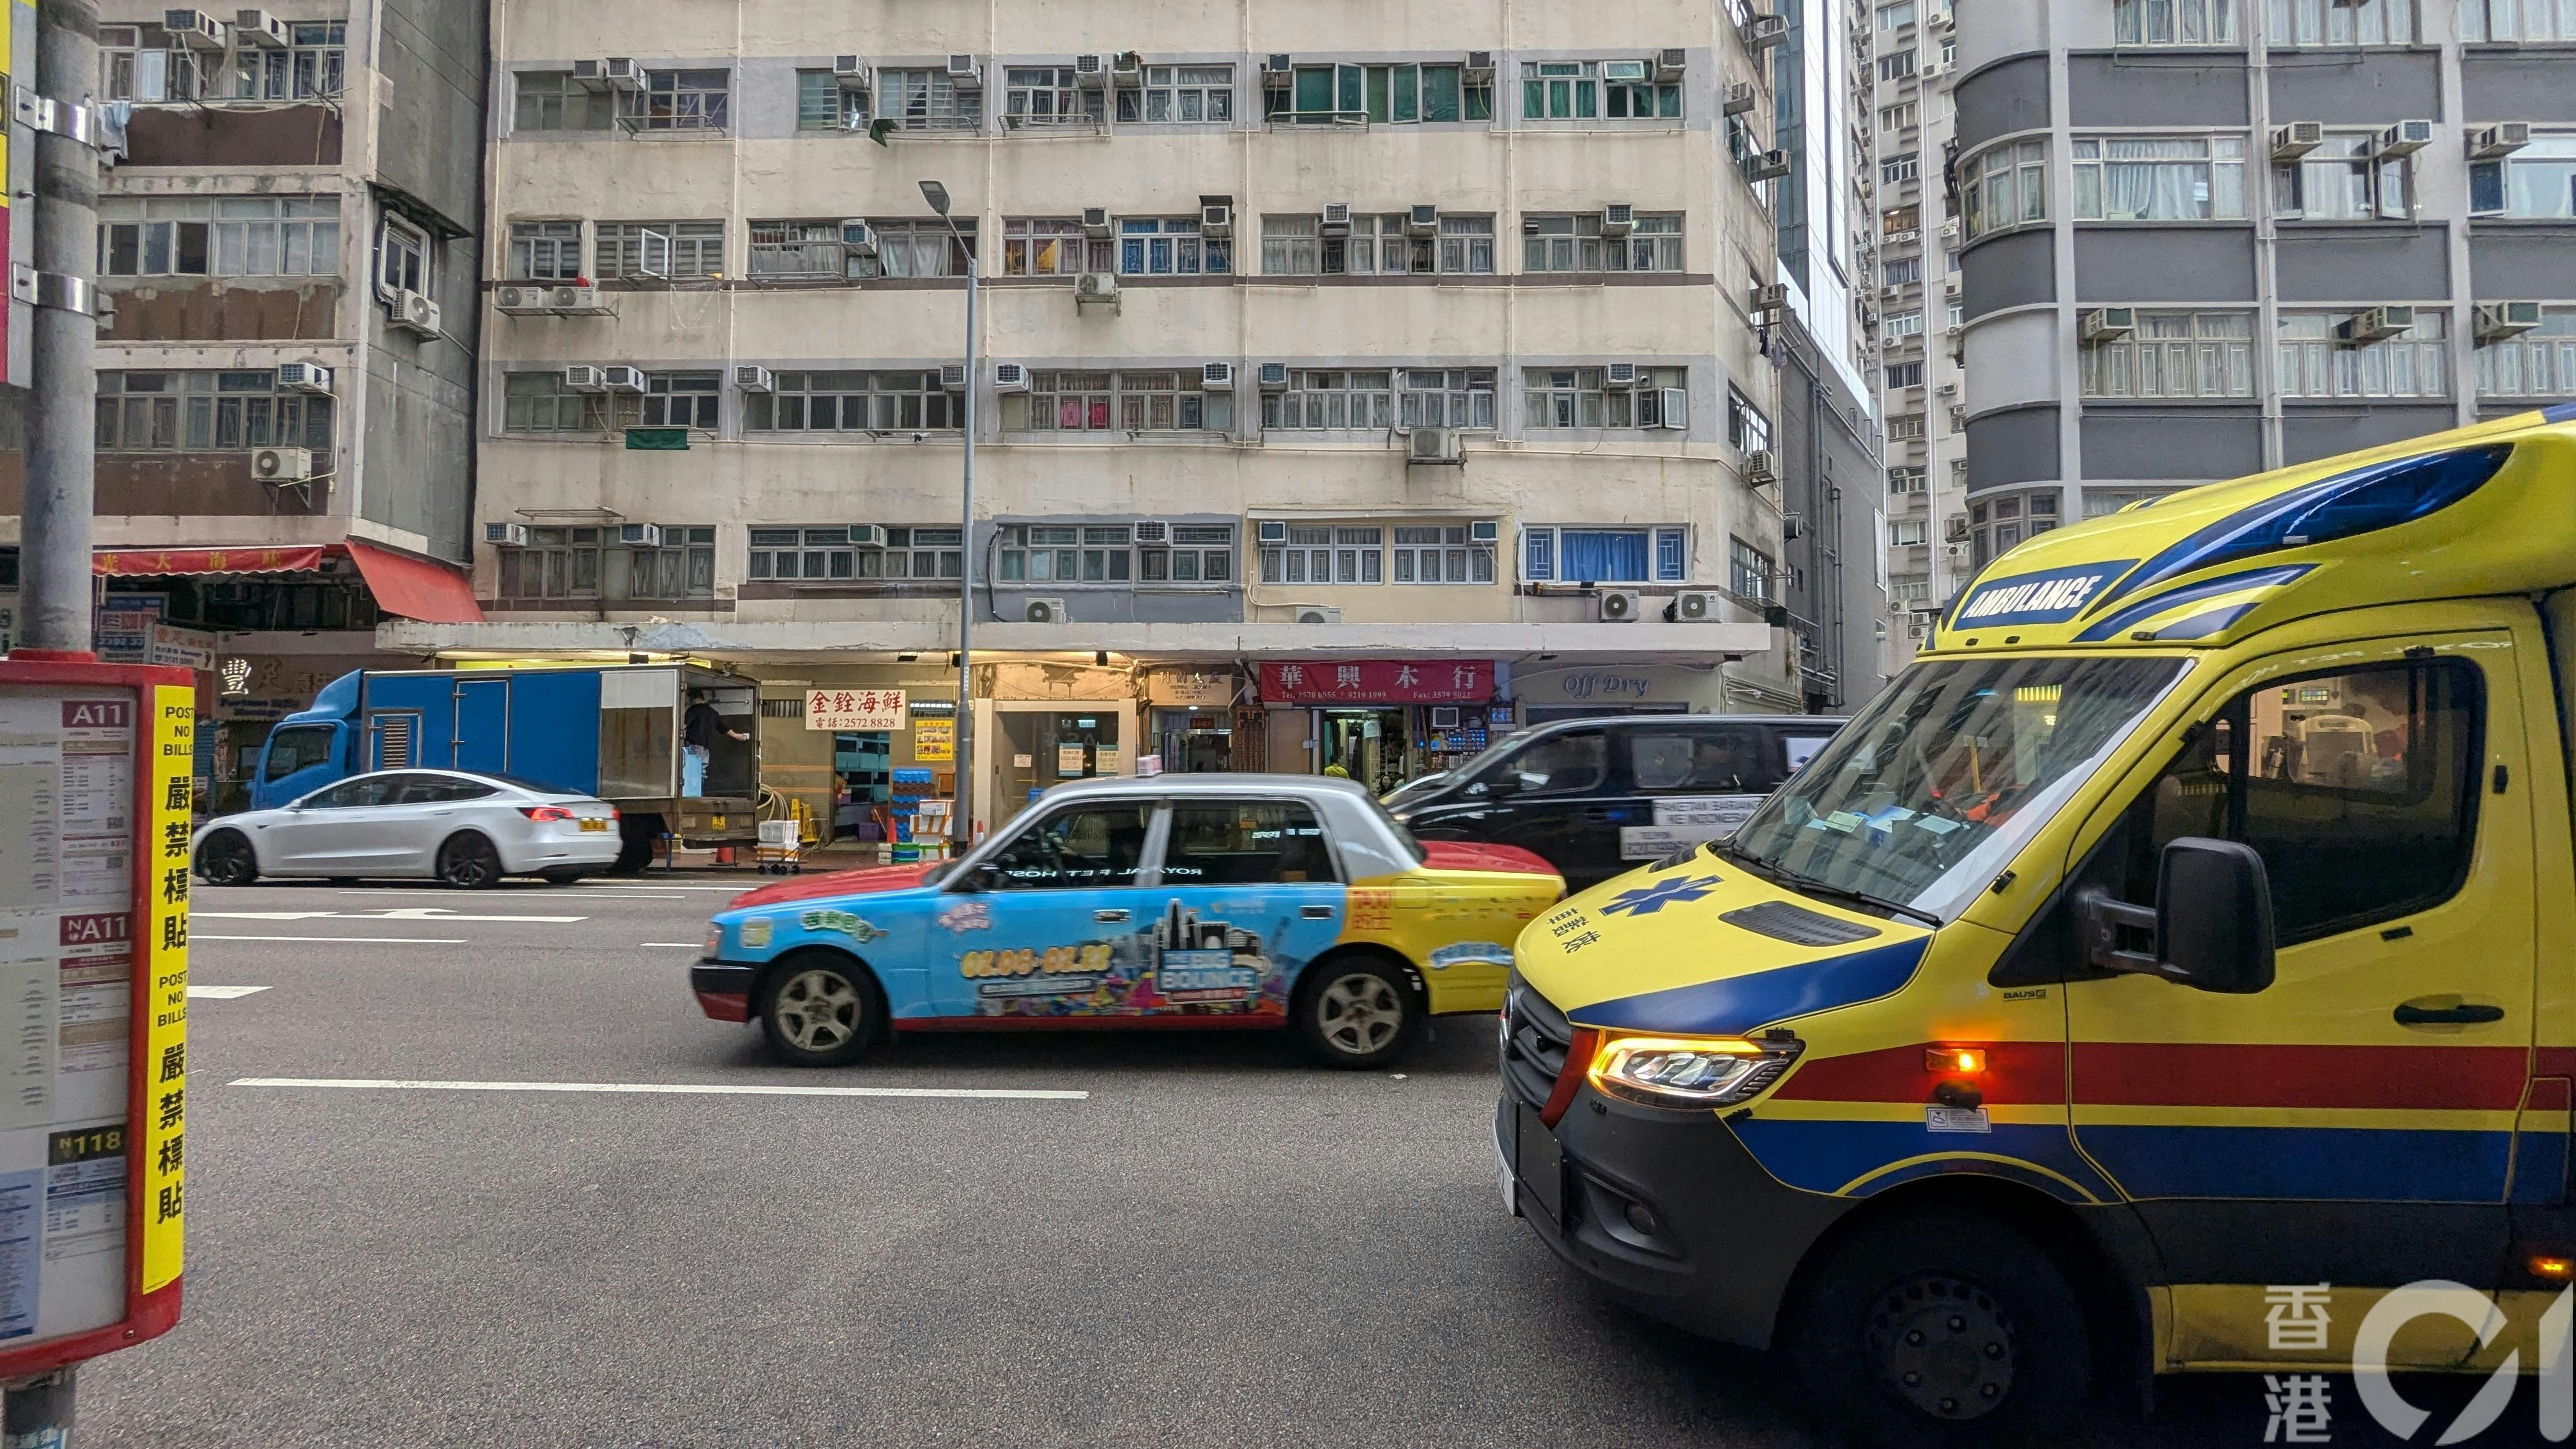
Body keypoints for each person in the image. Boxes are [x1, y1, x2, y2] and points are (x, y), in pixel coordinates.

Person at [683, 689, 747, 797]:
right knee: (702, 770)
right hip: (707, 747)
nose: (690, 702)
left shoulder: (693, 710)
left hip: (694, 744)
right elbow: (722, 727)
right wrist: (736, 735)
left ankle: (691, 793)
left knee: (691, 769)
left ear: (695, 699)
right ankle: (699, 793)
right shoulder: (712, 712)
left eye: (690, 699)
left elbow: (685, 725)